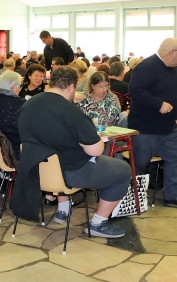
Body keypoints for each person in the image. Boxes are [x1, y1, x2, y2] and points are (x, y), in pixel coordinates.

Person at [14, 66, 132, 238]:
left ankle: (63, 208)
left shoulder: (27, 105)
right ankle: (98, 223)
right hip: (70, 173)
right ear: (71, 86)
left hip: (34, 171)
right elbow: (96, 150)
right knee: (122, 170)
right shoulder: (71, 111)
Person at [128, 38, 177, 209]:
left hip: (168, 127)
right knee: (140, 163)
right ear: (171, 53)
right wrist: (158, 104)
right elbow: (135, 90)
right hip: (145, 128)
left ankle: (173, 197)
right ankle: (133, 199)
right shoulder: (147, 67)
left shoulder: (174, 70)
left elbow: (174, 94)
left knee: (176, 158)